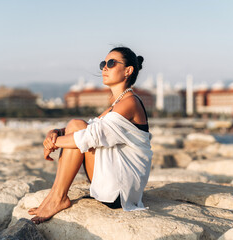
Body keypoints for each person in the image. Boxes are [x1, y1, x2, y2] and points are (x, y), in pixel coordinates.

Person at [28, 47, 153, 224]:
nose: (104, 68)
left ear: (128, 70)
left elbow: (89, 136)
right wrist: (55, 133)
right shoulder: (118, 103)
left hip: (120, 191)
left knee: (78, 128)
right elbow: (91, 126)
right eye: (103, 64)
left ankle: (58, 198)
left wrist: (53, 143)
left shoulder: (130, 102)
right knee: (75, 124)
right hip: (113, 180)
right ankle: (55, 196)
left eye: (111, 63)